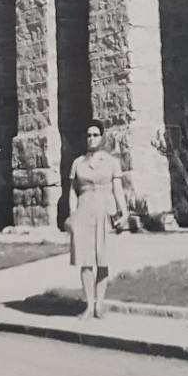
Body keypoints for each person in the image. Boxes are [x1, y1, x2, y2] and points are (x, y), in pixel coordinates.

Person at [66, 120, 128, 319]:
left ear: (102, 137)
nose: (91, 138)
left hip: (104, 209)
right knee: (85, 261)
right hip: (84, 210)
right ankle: (89, 305)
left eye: (95, 135)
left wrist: (124, 212)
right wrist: (72, 215)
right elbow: (72, 192)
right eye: (88, 135)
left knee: (102, 259)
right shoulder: (78, 163)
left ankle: (99, 305)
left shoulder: (111, 162)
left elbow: (118, 190)